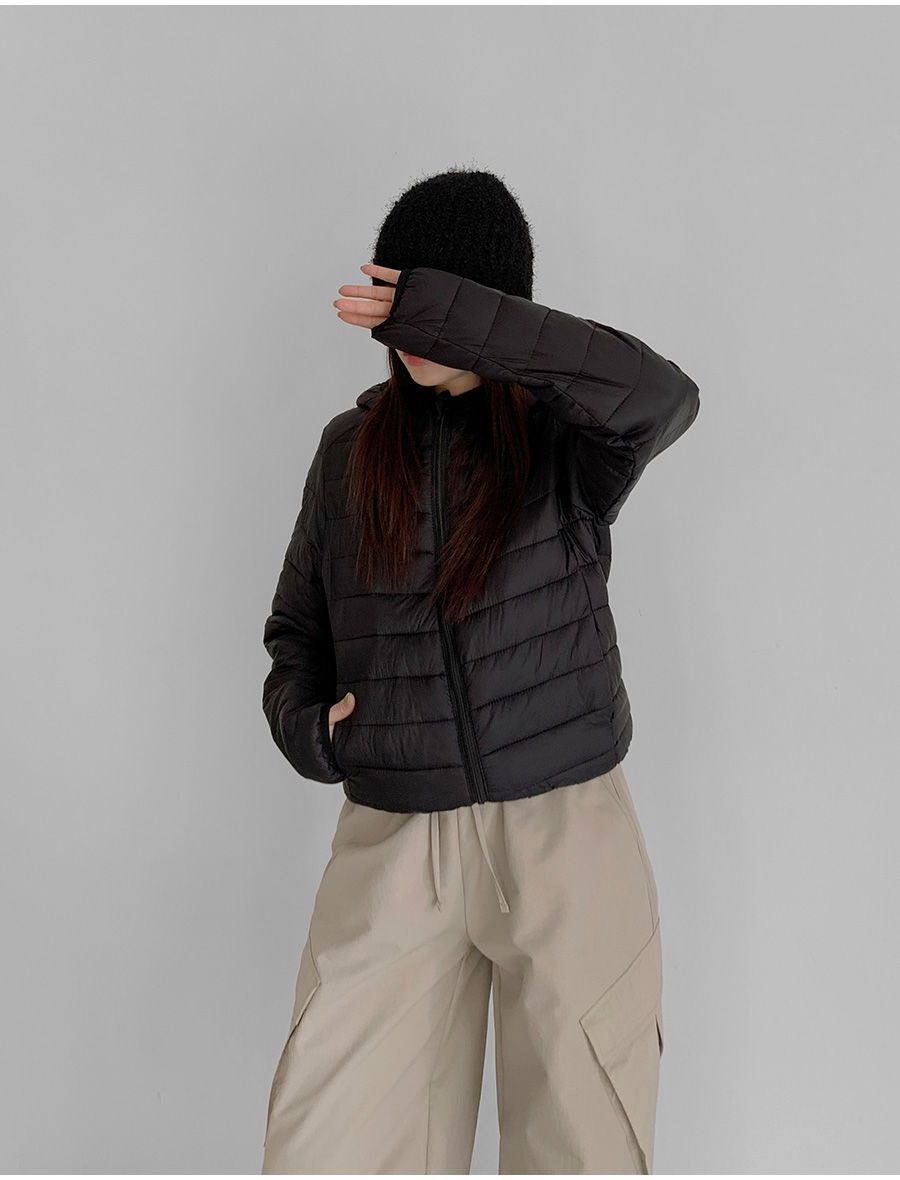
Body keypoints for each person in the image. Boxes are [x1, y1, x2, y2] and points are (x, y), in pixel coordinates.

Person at [259, 168, 700, 1175]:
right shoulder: (348, 451)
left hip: (563, 836)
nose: (408, 329)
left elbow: (665, 396)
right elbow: (295, 632)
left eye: (433, 304)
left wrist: (460, 321)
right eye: (398, 297)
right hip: (392, 842)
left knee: (581, 1150)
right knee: (326, 1147)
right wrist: (316, 732)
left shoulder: (566, 438)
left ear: (484, 310)